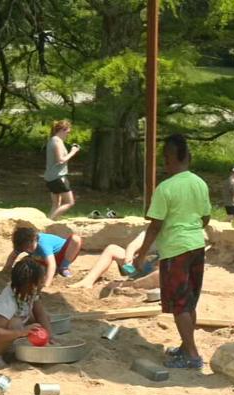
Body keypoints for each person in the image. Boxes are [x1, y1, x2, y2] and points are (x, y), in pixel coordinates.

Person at [135, 134, 212, 369]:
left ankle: (192, 355)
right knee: (189, 301)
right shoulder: (199, 183)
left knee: (179, 304)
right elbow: (206, 217)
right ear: (188, 156)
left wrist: (141, 255)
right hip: (197, 246)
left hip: (175, 250)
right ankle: (185, 345)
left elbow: (155, 225)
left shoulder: (165, 188)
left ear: (168, 158)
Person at [0, 257, 53, 368]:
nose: (43, 284)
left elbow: (40, 314)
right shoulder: (8, 303)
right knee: (15, 323)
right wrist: (22, 332)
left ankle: (10, 342)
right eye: (40, 281)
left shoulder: (29, 291)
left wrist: (48, 336)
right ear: (31, 285)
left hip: (9, 324)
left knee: (43, 320)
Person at [68, 231, 158, 289]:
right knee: (112, 249)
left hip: (158, 273)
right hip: (142, 266)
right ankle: (88, 280)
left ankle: (129, 284)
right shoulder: (151, 230)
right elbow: (133, 245)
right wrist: (128, 258)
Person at [4, 227, 82, 287]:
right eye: (26, 248)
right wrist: (6, 269)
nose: (29, 250)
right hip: (42, 259)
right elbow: (13, 256)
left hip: (62, 255)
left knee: (76, 239)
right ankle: (46, 270)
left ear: (34, 239)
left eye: (30, 246)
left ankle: (63, 267)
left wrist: (46, 284)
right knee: (24, 262)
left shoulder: (43, 243)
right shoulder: (22, 244)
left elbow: (52, 264)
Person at [44, 120, 80, 220]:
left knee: (56, 204)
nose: (68, 135)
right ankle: (48, 223)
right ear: (61, 130)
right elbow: (61, 160)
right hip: (58, 177)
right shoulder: (57, 141)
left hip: (50, 177)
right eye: (67, 132)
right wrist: (73, 152)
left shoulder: (53, 140)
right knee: (69, 202)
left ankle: (48, 224)